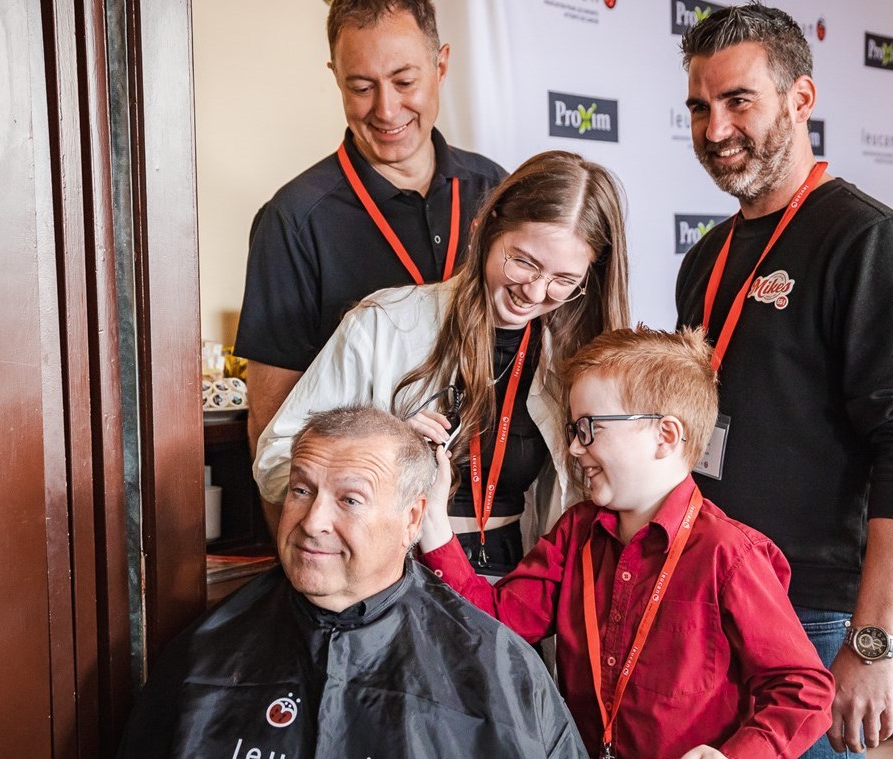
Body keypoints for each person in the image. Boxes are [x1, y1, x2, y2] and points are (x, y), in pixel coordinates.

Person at [673, 5, 893, 757]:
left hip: (813, 616)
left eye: (740, 101)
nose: (715, 128)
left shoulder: (872, 245)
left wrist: (871, 642)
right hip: (708, 598)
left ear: (801, 99)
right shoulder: (705, 260)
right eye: (700, 106)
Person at [416, 327, 835, 759]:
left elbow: (803, 689)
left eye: (589, 428)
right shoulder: (575, 533)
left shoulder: (728, 554)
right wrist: (431, 518)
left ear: (665, 436)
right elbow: (492, 624)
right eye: (574, 430)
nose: (576, 449)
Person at [117, 406, 586, 758]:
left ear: (412, 518)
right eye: (301, 490)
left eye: (350, 500)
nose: (312, 520)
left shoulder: (500, 673)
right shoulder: (206, 651)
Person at [254, 150, 631, 578]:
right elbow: (273, 464)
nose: (535, 291)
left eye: (564, 281)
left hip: (512, 580)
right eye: (524, 262)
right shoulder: (384, 323)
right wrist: (387, 452)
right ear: (485, 230)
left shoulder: (571, 361)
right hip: (396, 574)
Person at [236, 0, 507, 461]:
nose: (386, 109)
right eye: (361, 87)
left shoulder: (496, 191)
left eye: (405, 82)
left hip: (493, 511)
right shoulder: (295, 219)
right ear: (335, 76)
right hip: (363, 514)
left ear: (441, 65)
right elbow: (271, 428)